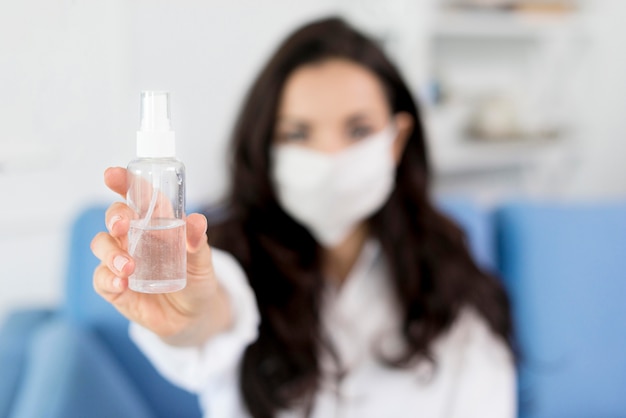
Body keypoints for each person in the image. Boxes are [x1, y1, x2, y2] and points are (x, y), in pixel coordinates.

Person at [91, 17, 516, 418]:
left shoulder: (449, 281)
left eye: (357, 130)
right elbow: (212, 311)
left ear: (397, 138)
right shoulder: (231, 256)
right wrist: (187, 317)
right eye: (297, 133)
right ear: (267, 146)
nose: (329, 158)